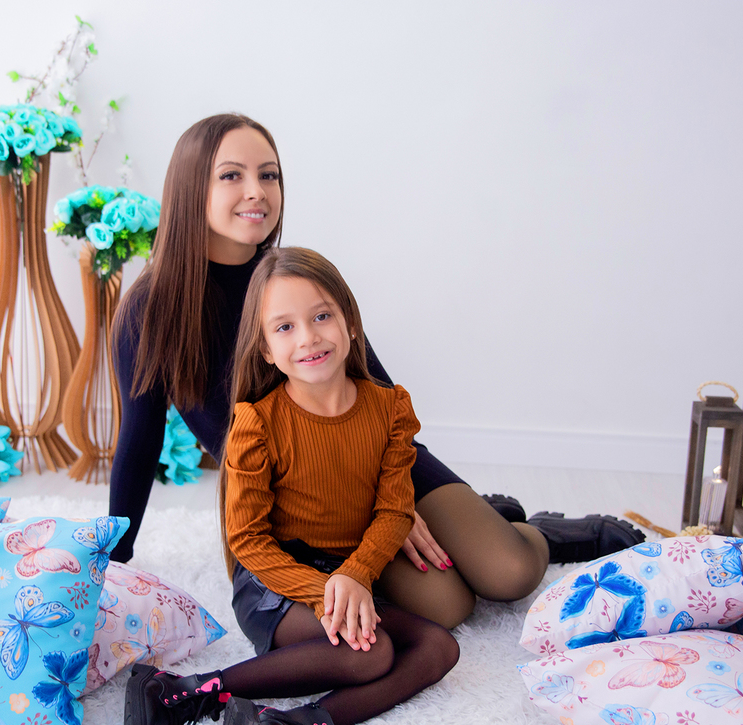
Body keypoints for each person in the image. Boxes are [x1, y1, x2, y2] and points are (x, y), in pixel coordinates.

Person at [109, 112, 641, 629]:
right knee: (446, 605)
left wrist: (397, 503)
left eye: (269, 175)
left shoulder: (289, 276)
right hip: (287, 505)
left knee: (510, 571)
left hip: (375, 460)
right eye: (232, 175)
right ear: (190, 187)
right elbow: (139, 441)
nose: (257, 191)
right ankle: (482, 515)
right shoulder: (148, 312)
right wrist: (111, 559)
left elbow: (375, 389)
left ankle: (543, 531)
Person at [124, 247, 460, 725]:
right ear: (265, 348)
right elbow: (248, 540)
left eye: (322, 316)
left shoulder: (390, 409)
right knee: (370, 652)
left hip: (344, 575)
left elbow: (395, 510)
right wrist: (326, 591)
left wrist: (355, 574)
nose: (308, 337)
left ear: (351, 324)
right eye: (285, 326)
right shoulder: (257, 423)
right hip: (274, 584)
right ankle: (182, 693)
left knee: (441, 647)